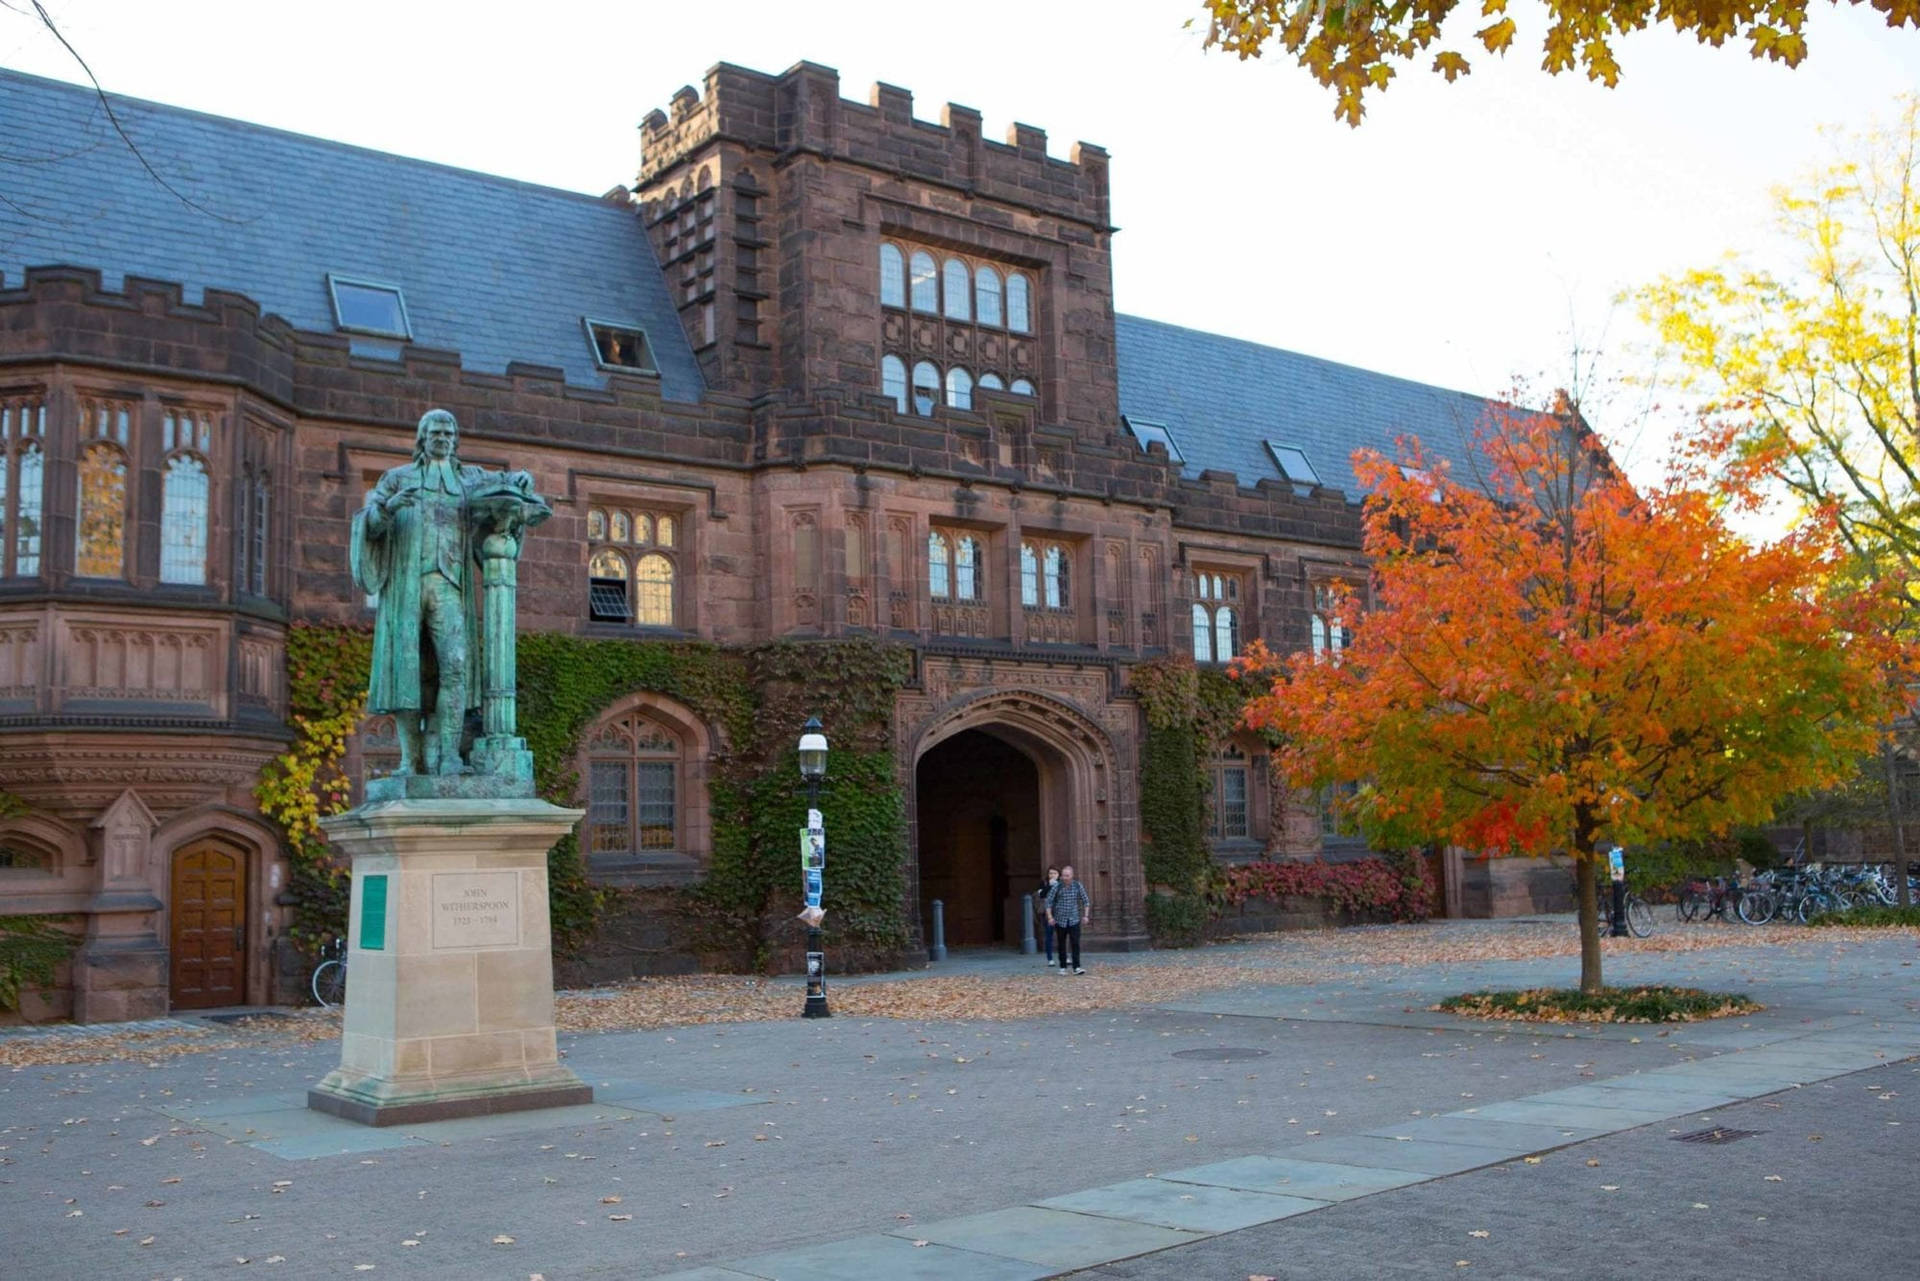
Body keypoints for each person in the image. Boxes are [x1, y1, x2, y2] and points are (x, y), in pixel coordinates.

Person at [1045, 864, 1090, 975]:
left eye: (1067, 875)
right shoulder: (1057, 886)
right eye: (1064, 875)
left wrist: (1086, 915)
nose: (1065, 877)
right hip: (1060, 920)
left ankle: (1076, 967)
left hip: (1074, 919)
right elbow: (1048, 902)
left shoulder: (1077, 886)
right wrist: (1050, 917)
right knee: (1061, 944)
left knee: (1075, 943)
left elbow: (1086, 901)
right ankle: (1062, 967)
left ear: (1072, 875)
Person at [1038, 867, 1060, 963]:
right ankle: (1050, 958)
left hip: (1060, 912)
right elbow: (1041, 895)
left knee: (1062, 935)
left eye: (1055, 873)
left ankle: (1063, 956)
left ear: (1058, 874)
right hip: (1048, 912)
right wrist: (1049, 886)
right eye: (1050, 873)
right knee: (1049, 935)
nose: (1052, 875)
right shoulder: (1044, 883)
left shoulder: (1061, 883)